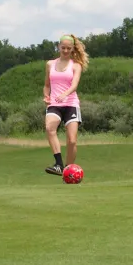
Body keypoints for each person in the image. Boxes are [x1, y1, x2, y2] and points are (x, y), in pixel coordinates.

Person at [43, 34, 89, 176]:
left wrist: (65, 94)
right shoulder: (50, 64)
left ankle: (68, 170)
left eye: (68, 48)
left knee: (72, 141)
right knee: (49, 128)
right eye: (63, 48)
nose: (65, 50)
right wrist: (46, 96)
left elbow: (74, 85)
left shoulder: (76, 65)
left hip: (71, 104)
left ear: (72, 49)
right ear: (58, 47)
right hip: (55, 104)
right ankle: (58, 164)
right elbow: (46, 85)